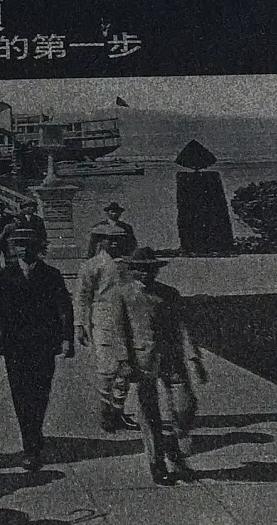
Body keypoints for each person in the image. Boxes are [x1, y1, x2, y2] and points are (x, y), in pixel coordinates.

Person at [103, 250, 204, 485]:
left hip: (171, 358)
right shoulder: (122, 295)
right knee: (149, 414)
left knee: (186, 405)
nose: (147, 272)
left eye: (151, 268)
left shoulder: (168, 294)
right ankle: (157, 464)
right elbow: (118, 331)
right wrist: (124, 361)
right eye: (141, 268)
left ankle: (174, 442)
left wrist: (193, 357)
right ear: (132, 270)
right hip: (141, 362)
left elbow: (183, 327)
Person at [0, 228, 74, 474]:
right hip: (15, 346)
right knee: (20, 394)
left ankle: (34, 433)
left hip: (44, 344)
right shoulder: (3, 276)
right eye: (18, 244)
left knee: (40, 392)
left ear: (38, 247)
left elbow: (64, 309)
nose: (22, 249)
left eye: (27, 244)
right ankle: (31, 448)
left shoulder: (51, 274)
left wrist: (67, 340)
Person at [76, 234, 138, 433]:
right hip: (103, 320)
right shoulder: (92, 265)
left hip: (128, 321)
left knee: (125, 369)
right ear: (100, 241)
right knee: (106, 370)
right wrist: (79, 324)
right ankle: (106, 412)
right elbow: (82, 296)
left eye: (118, 239)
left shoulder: (128, 264)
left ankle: (118, 411)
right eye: (108, 239)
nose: (114, 243)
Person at [174, 140, 233, 256]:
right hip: (200, 210)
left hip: (199, 210)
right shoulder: (201, 179)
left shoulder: (194, 179)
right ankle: (200, 246)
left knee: (199, 222)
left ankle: (197, 246)